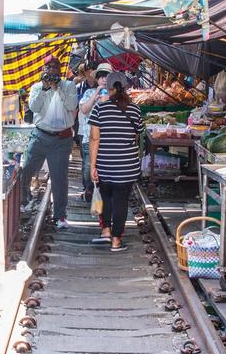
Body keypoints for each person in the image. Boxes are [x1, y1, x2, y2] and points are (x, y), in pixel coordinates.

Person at [20, 59, 80, 229]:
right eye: (49, 68)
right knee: (27, 170)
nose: (52, 71)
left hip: (61, 139)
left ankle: (60, 216)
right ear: (43, 69)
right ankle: (24, 201)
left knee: (59, 178)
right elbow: (34, 107)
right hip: (40, 136)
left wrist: (56, 88)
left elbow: (71, 105)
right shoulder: (37, 87)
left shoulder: (68, 86)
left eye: (55, 68)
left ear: (60, 70)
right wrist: (45, 88)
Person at [88, 73, 144, 252]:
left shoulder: (99, 109)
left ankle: (105, 231)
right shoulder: (135, 110)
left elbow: (94, 139)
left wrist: (93, 165)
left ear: (109, 89)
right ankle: (116, 241)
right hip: (127, 166)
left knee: (106, 198)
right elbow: (137, 135)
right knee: (121, 201)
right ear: (125, 88)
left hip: (105, 164)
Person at [76, 63, 113, 203]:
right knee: (87, 168)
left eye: (107, 76)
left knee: (104, 168)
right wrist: (96, 94)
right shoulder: (89, 93)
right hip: (89, 138)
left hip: (108, 139)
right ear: (97, 79)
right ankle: (89, 188)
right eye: (101, 76)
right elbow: (84, 110)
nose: (104, 79)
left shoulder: (115, 95)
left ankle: (102, 193)